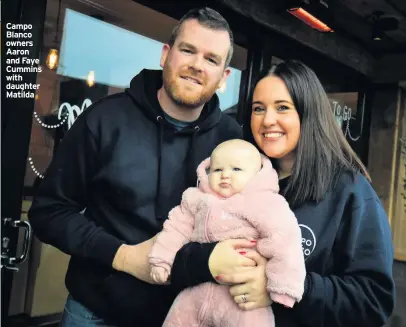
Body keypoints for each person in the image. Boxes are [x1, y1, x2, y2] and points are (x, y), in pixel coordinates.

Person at [28, 7, 244, 327]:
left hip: (185, 318)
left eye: (211, 59)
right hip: (95, 314)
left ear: (224, 76)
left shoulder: (232, 141)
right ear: (165, 54)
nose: (197, 65)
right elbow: (49, 213)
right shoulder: (105, 120)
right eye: (188, 50)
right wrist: (124, 257)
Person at [169, 60, 396, 327]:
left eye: (282, 108)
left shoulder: (350, 191)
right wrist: (207, 260)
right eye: (258, 108)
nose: (267, 120)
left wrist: (291, 287)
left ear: (308, 112)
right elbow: (179, 249)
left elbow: (373, 301)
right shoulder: (233, 176)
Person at [149, 139, 306, 326]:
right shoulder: (196, 199)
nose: (225, 175)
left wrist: (284, 286)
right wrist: (162, 260)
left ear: (257, 175)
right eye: (217, 170)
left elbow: (284, 240)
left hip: (242, 298)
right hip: (196, 291)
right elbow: (176, 228)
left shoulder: (265, 203)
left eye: (236, 170)